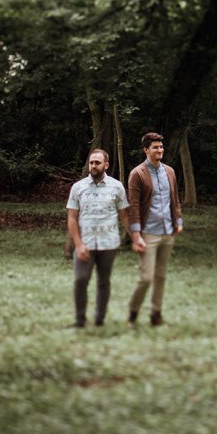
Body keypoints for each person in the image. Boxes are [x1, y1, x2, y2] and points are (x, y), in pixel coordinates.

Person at [66, 148, 130, 328]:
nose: (93, 166)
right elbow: (72, 218)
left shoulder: (117, 187)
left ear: (106, 165)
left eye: (97, 163)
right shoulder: (77, 188)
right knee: (80, 280)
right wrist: (78, 245)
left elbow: (124, 215)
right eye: (91, 162)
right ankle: (79, 321)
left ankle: (99, 320)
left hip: (109, 243)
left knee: (103, 281)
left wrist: (136, 237)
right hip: (84, 243)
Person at [126, 132, 183, 327]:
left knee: (161, 277)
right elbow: (133, 207)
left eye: (161, 147)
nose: (160, 150)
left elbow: (174, 199)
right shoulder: (137, 174)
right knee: (146, 278)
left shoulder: (170, 172)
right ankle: (132, 313)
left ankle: (155, 315)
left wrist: (179, 220)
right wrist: (135, 236)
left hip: (167, 232)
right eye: (155, 147)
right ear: (146, 150)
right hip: (147, 234)